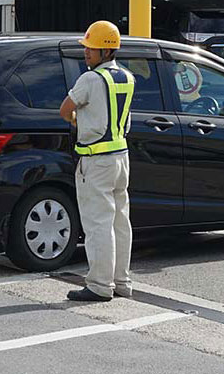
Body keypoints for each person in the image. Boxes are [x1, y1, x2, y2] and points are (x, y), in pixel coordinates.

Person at [59, 20, 135, 302]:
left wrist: (78, 120)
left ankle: (100, 286)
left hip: (96, 159)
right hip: (121, 157)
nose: (86, 52)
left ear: (105, 51)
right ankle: (121, 281)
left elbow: (65, 110)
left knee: (97, 224)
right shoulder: (127, 78)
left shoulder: (90, 79)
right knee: (119, 222)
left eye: (90, 48)